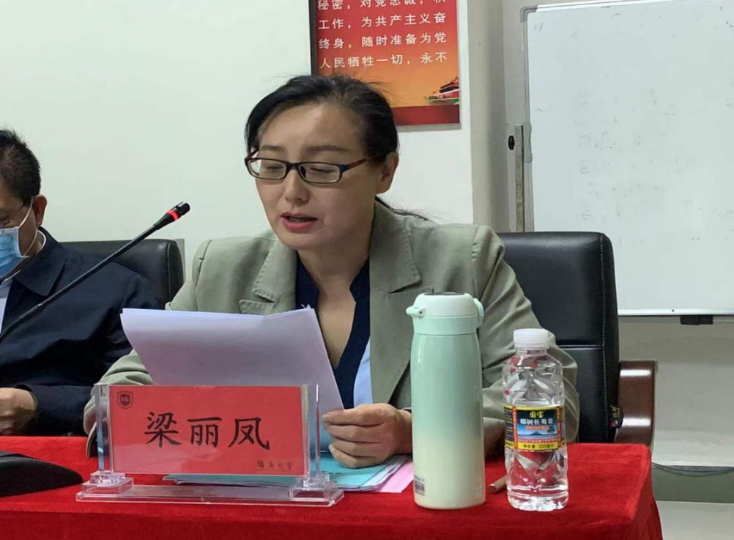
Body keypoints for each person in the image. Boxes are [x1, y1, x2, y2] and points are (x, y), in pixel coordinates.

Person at [85, 75, 579, 467]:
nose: (292, 192)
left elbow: (552, 402)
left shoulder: (460, 260)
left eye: (322, 169)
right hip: (267, 505)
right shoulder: (223, 267)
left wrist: (414, 431)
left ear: (385, 170)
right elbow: (123, 387)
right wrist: (138, 409)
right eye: (271, 166)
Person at [0, 129, 158, 436]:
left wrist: (39, 406)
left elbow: (139, 398)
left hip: (53, 454)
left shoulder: (117, 291)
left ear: (37, 210)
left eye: (0, 220)